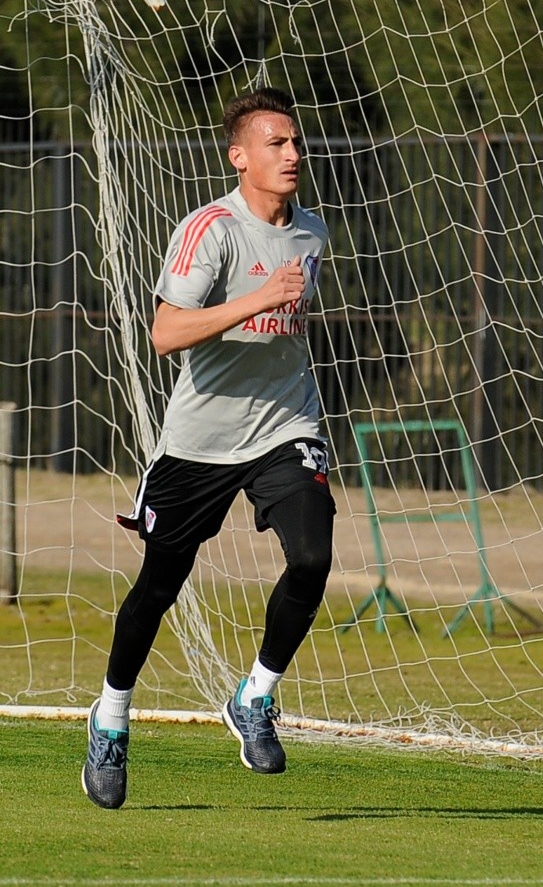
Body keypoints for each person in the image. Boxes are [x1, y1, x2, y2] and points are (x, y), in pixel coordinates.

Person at [82, 86, 336, 809]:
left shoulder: (313, 232)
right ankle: (110, 715)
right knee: (158, 589)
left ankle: (255, 696)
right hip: (199, 442)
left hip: (287, 427)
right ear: (240, 157)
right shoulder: (210, 231)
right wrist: (257, 300)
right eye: (276, 144)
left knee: (313, 557)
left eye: (295, 142)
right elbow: (166, 334)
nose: (293, 154)